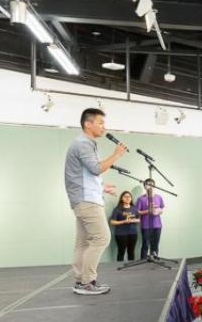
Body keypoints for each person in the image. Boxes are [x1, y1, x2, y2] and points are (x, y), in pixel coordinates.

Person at [64, 108, 127, 295]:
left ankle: (80, 281)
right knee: (102, 238)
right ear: (88, 124)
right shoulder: (83, 144)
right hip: (87, 201)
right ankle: (88, 282)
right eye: (100, 123)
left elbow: (84, 175)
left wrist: (102, 187)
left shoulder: (83, 143)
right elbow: (96, 168)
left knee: (83, 242)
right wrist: (117, 154)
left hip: (83, 199)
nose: (103, 127)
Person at [137, 178, 166, 260]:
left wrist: (158, 211)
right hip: (146, 226)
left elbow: (161, 209)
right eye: (148, 184)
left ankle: (154, 262)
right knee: (145, 245)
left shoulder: (159, 197)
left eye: (152, 184)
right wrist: (148, 211)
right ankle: (142, 263)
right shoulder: (141, 199)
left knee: (155, 245)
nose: (150, 186)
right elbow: (138, 212)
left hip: (157, 225)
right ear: (145, 186)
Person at [110, 190, 139, 263]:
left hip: (133, 233)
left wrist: (133, 220)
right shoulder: (117, 209)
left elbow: (139, 220)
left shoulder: (134, 208)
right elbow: (112, 222)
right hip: (121, 234)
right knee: (121, 252)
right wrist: (123, 221)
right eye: (125, 197)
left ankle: (131, 268)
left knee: (131, 252)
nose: (128, 198)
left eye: (129, 197)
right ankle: (119, 269)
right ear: (121, 198)